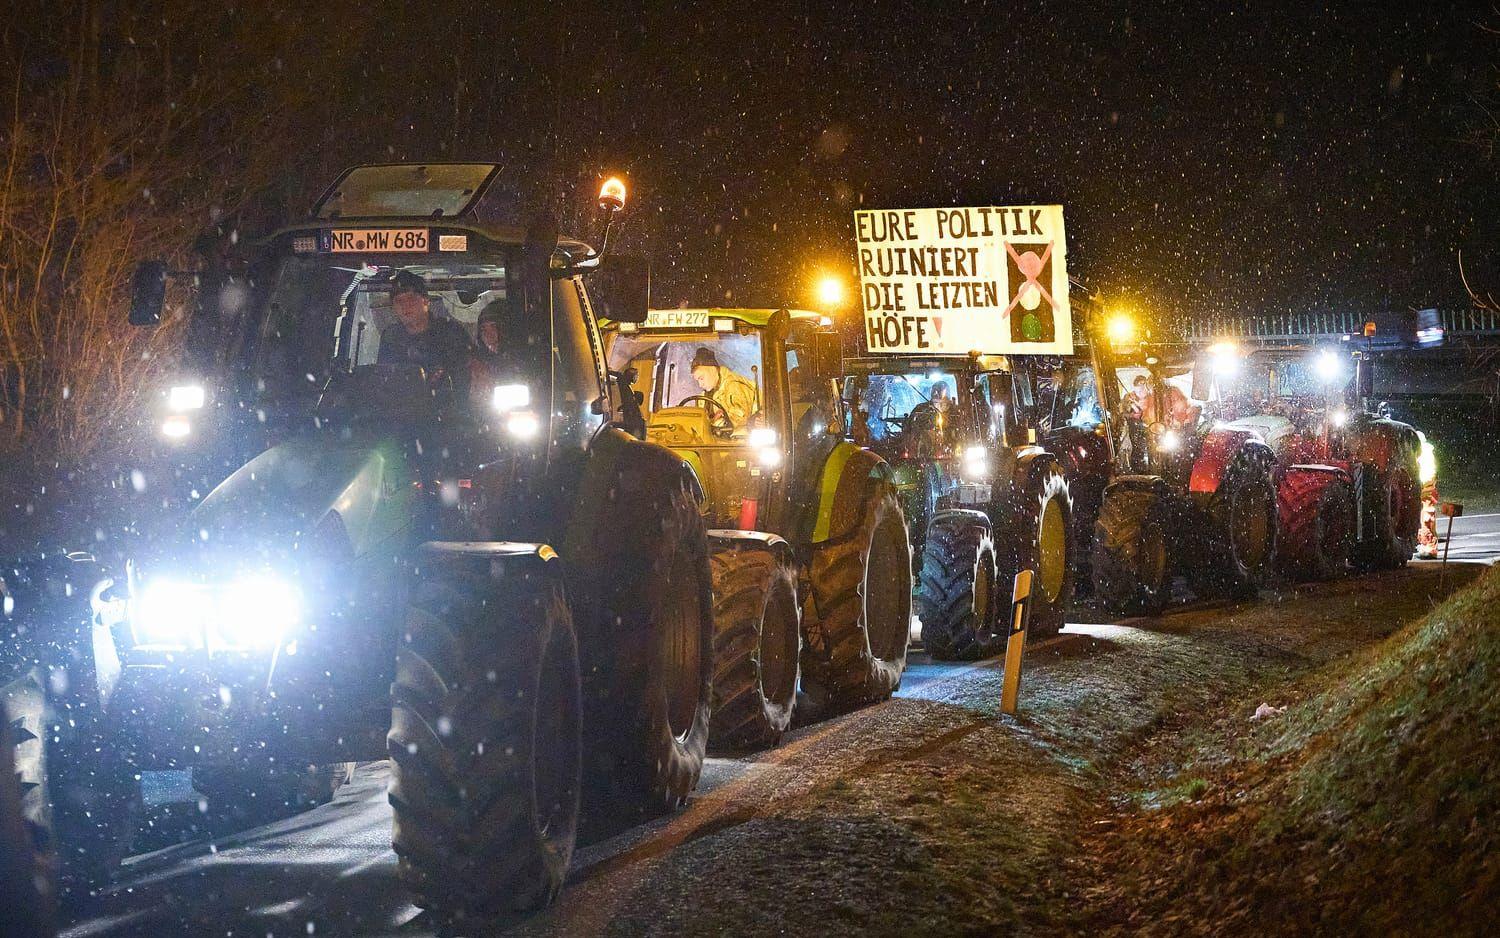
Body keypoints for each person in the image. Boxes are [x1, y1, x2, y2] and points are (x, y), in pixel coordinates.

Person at [377, 271, 473, 387]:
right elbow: (384, 378)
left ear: (426, 301)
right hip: (405, 402)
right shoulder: (391, 338)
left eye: (411, 298)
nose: (405, 306)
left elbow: (470, 372)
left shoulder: (450, 332)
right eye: (399, 301)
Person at [689, 347, 758, 428]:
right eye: (698, 380)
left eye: (701, 378)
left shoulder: (734, 385)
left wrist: (716, 421)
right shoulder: (703, 397)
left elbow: (740, 417)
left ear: (713, 370)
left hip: (738, 438)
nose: (700, 384)